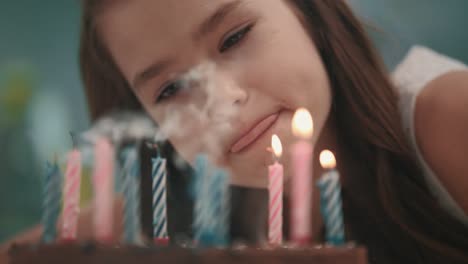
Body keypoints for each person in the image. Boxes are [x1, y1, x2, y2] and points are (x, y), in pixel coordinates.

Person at [2, 1, 468, 263]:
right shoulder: (183, 216)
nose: (221, 100)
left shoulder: (446, 116)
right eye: (171, 90)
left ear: (309, 14)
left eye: (234, 38)